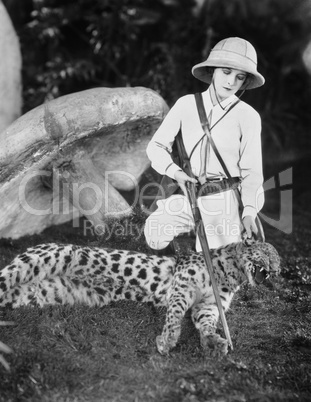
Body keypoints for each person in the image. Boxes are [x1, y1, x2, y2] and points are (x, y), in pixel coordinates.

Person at [144, 37, 265, 252]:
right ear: (213, 70)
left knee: (218, 273)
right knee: (154, 231)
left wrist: (249, 212)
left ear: (245, 82)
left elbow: (252, 173)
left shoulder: (248, 116)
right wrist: (176, 172)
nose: (230, 82)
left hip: (225, 199)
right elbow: (156, 147)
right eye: (226, 72)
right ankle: (180, 263)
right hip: (192, 194)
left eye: (239, 77)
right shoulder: (186, 105)